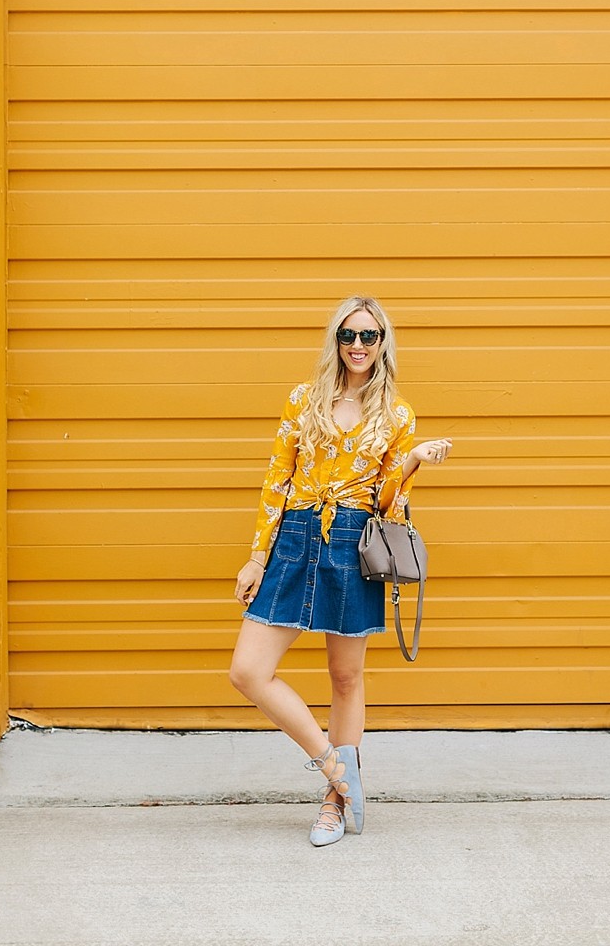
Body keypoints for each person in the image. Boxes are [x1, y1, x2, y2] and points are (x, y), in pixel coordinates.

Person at [229, 295, 452, 846]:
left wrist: (413, 461)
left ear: (383, 344)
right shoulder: (303, 401)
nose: (358, 346)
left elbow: (387, 505)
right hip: (294, 538)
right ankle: (335, 767)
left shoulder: (397, 414)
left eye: (369, 336)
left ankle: (334, 804)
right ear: (336, 340)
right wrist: (257, 555)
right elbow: (277, 480)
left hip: (352, 542)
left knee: (346, 677)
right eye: (348, 335)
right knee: (248, 671)